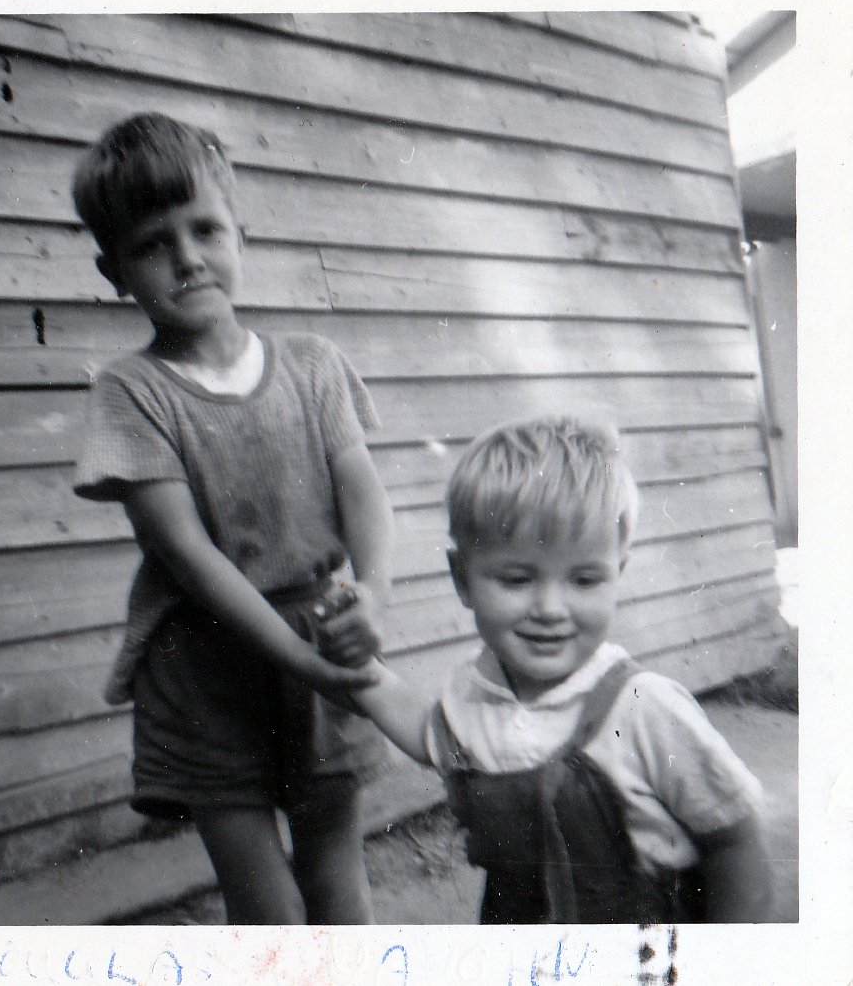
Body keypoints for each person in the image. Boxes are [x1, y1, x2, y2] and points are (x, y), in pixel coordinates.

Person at [72, 113, 393, 924]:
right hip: (204, 667)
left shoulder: (314, 366)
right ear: (115, 272)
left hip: (319, 635)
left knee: (334, 868)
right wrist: (298, 656)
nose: (187, 258)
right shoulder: (131, 393)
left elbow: (362, 489)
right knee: (265, 902)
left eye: (205, 229)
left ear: (239, 236)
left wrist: (372, 594)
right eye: (153, 243)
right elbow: (186, 553)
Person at [321, 417, 773, 923]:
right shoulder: (474, 696)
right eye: (517, 580)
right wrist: (357, 664)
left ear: (618, 574)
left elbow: (736, 840)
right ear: (462, 580)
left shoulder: (644, 706)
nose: (551, 609)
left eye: (584, 580)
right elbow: (429, 732)